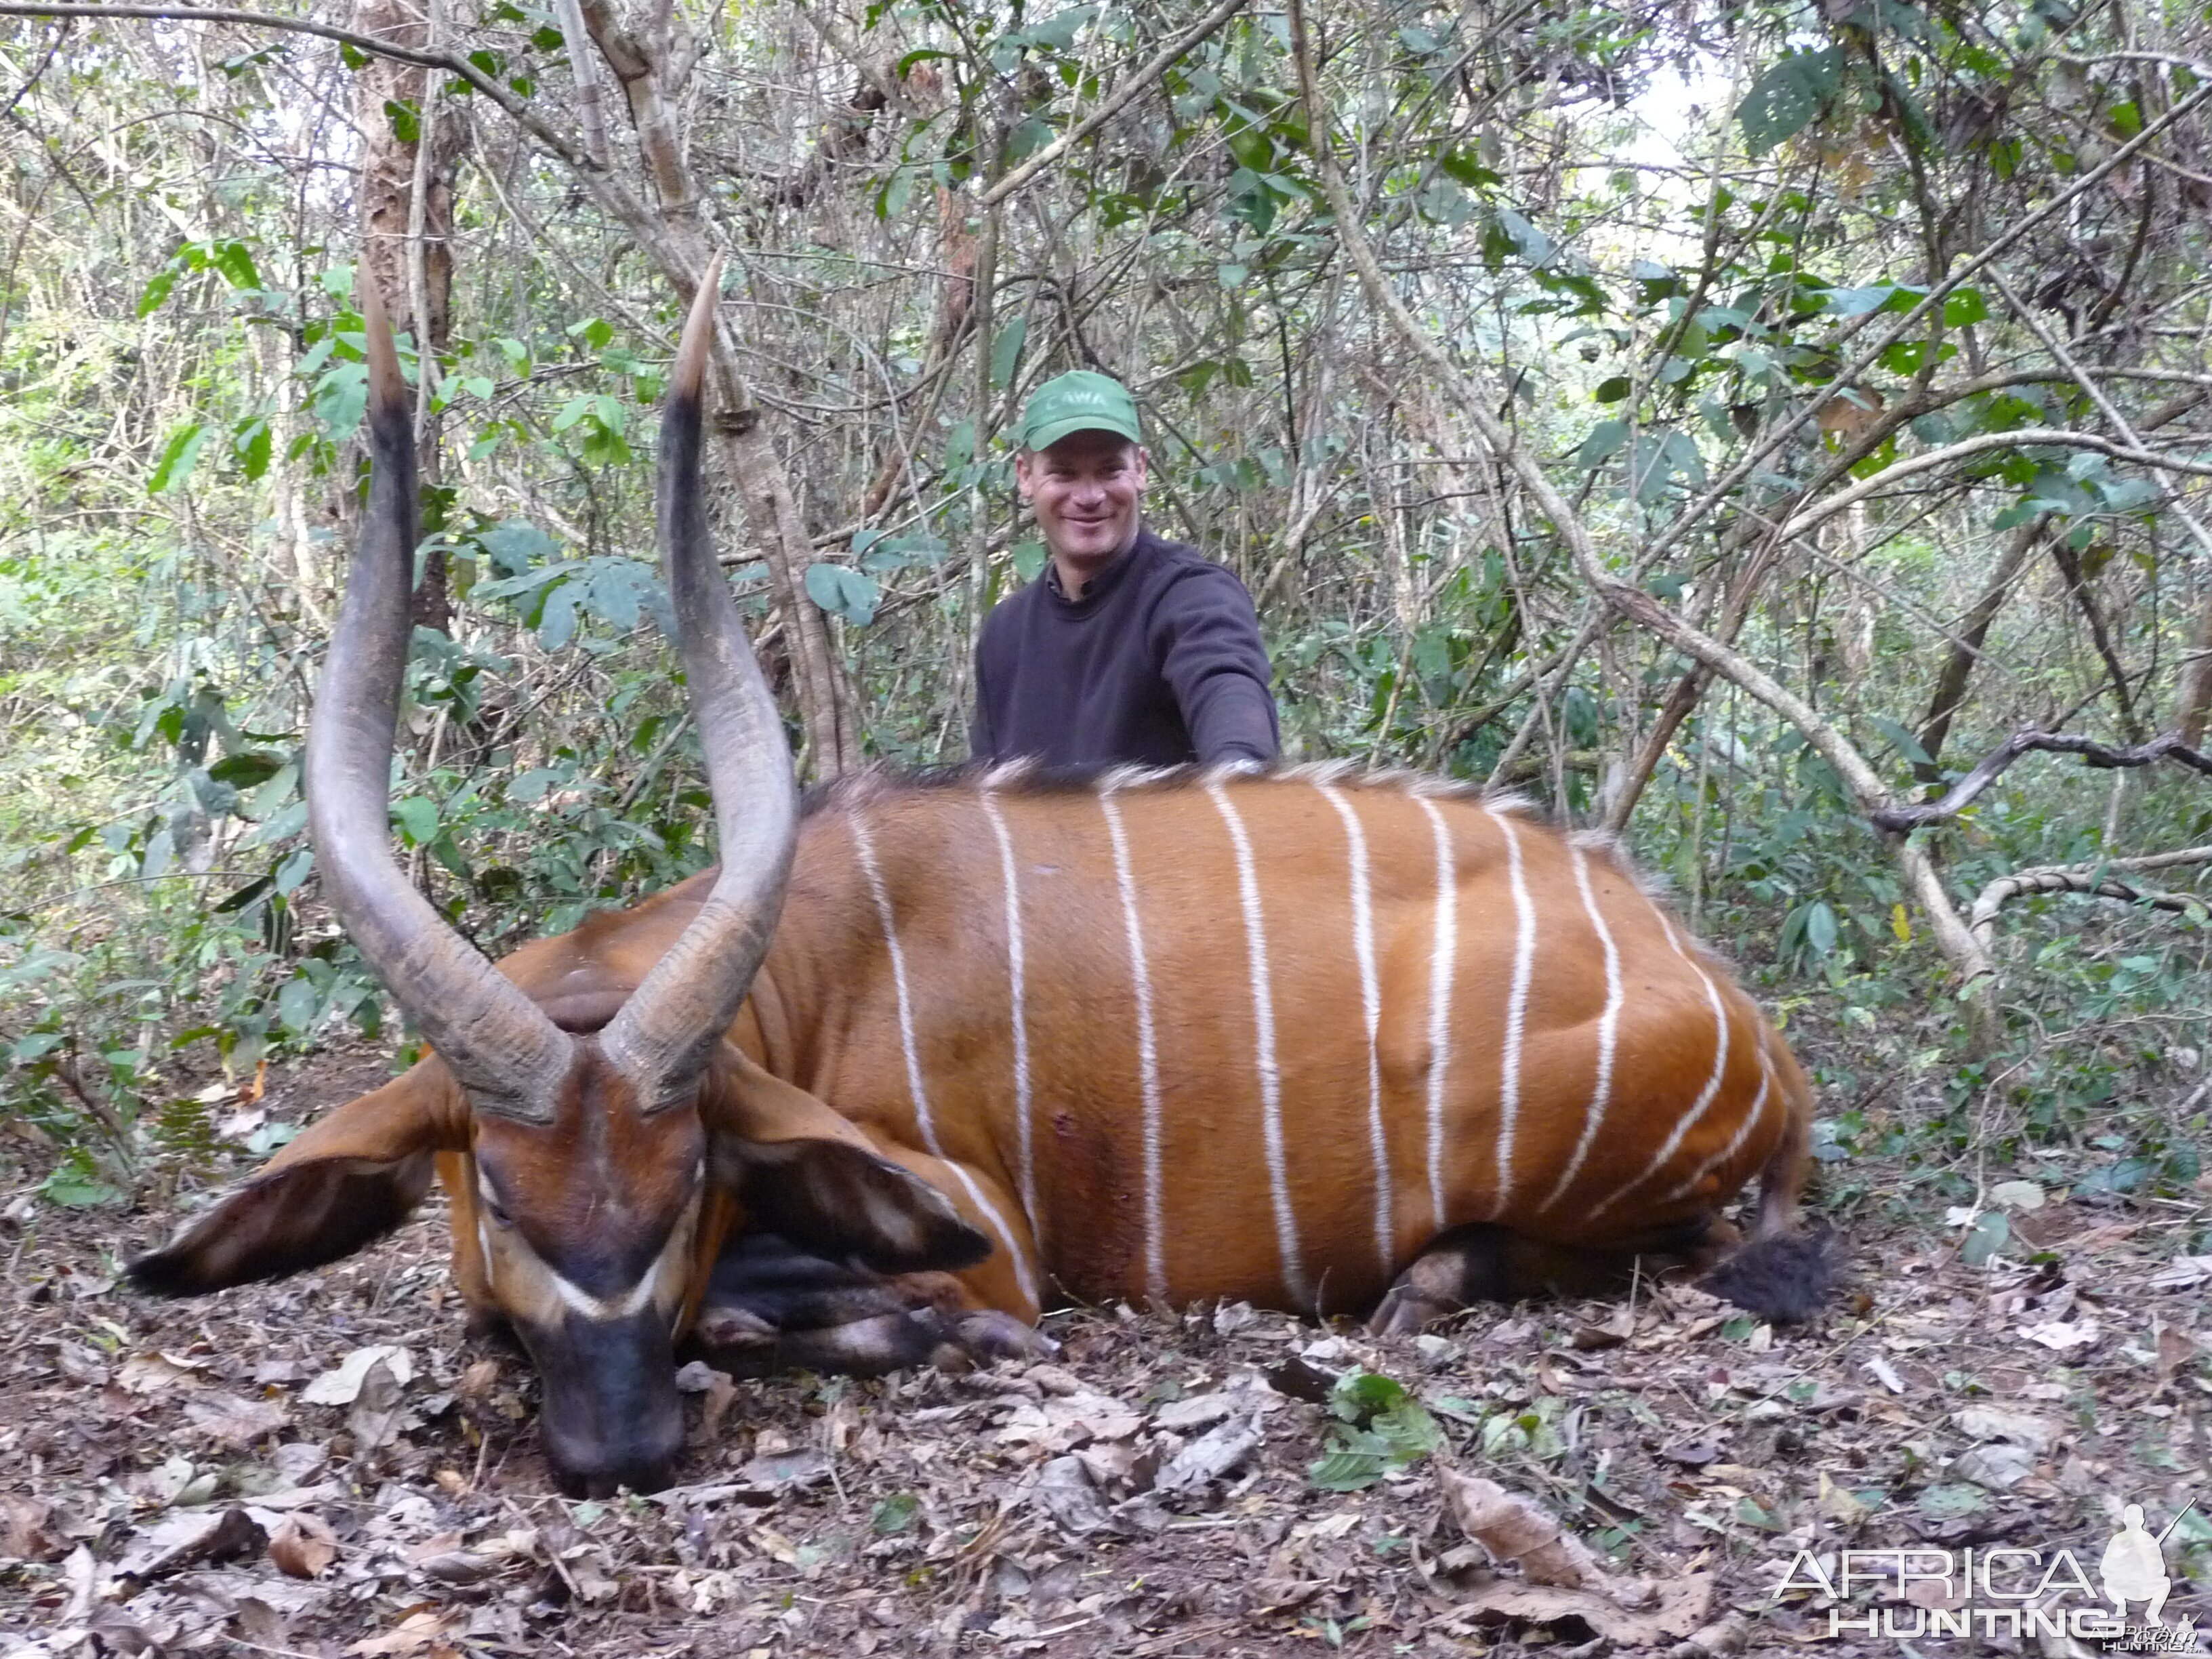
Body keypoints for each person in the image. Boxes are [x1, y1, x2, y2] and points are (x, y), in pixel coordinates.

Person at [970, 369, 1279, 768]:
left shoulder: (1192, 596)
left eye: (1109, 470)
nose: (1089, 496)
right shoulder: (1005, 633)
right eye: (1063, 473)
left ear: (1141, 470)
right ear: (1025, 476)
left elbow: (1226, 686)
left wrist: (1241, 767)